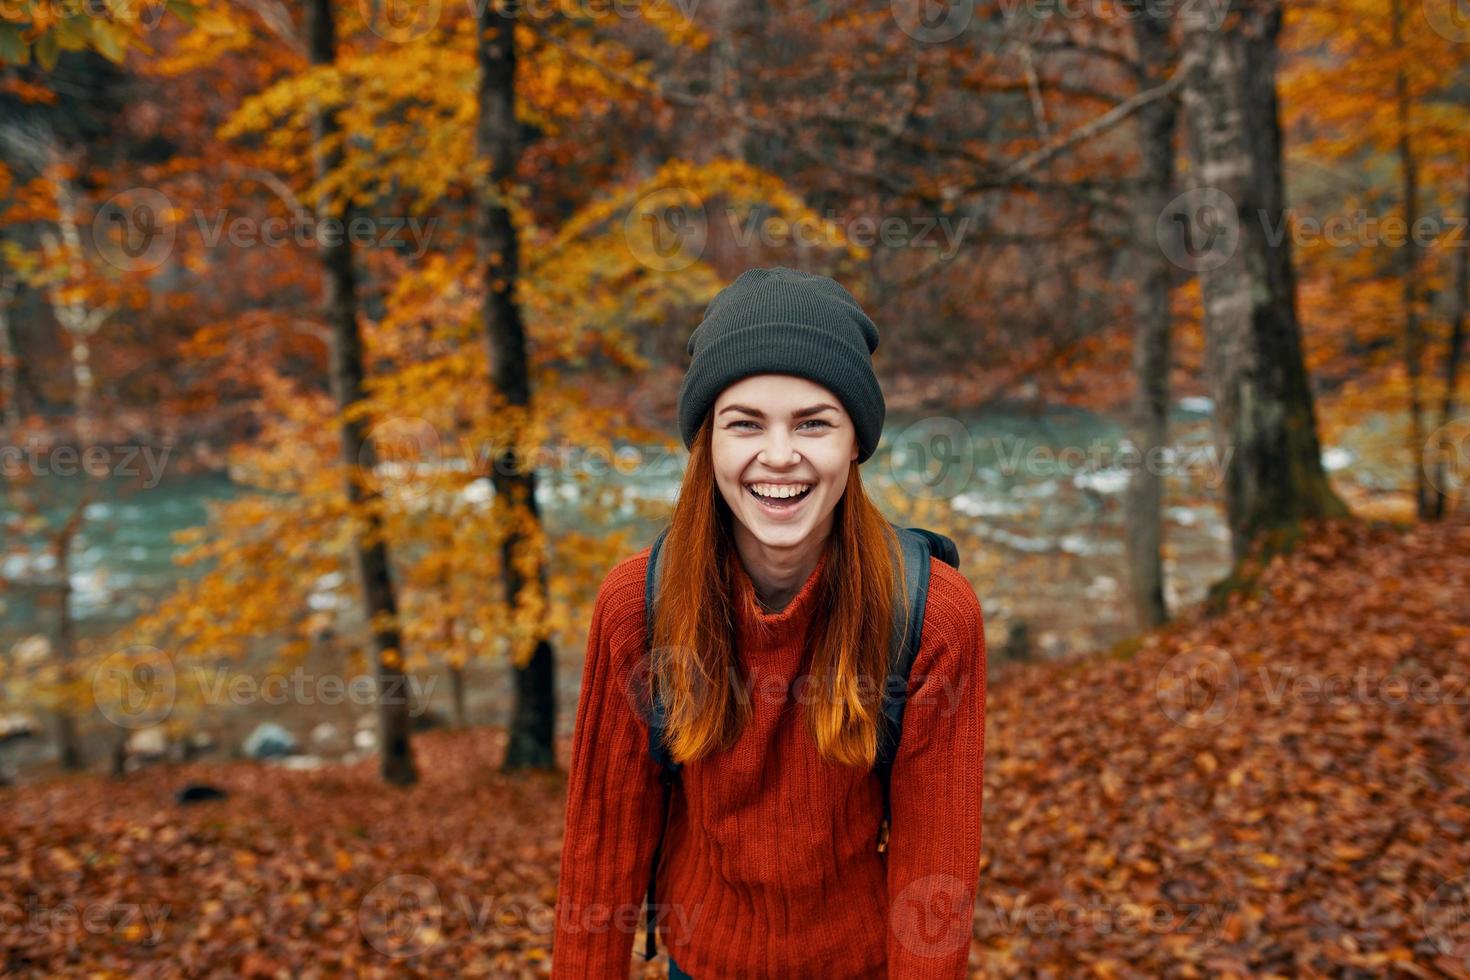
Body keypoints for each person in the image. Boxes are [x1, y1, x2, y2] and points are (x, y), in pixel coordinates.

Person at [552, 267, 987, 978]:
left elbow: (934, 876)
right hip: (698, 964)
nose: (779, 455)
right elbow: (600, 863)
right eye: (745, 423)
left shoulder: (932, 614)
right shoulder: (638, 606)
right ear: (708, 444)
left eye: (813, 422)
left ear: (855, 441)